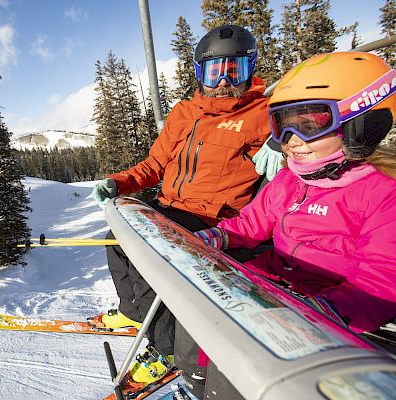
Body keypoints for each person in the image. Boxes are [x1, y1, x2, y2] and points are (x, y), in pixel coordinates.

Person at [178, 51, 396, 398]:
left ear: (361, 123)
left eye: (310, 123)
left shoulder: (383, 194)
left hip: (328, 310)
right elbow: (251, 223)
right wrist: (216, 236)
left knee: (245, 348)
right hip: (275, 285)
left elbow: (381, 282)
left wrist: (323, 311)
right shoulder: (290, 180)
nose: (291, 139)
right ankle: (195, 381)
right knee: (200, 302)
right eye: (282, 125)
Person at [90, 24, 283, 385]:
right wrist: (118, 182)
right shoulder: (184, 113)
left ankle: (164, 350)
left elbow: (303, 142)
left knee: (155, 265)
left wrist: (280, 141)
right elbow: (153, 166)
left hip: (212, 218)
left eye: (234, 70)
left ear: (250, 69)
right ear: (200, 73)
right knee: (116, 239)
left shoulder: (262, 115)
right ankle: (135, 313)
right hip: (169, 208)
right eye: (214, 71)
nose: (224, 80)